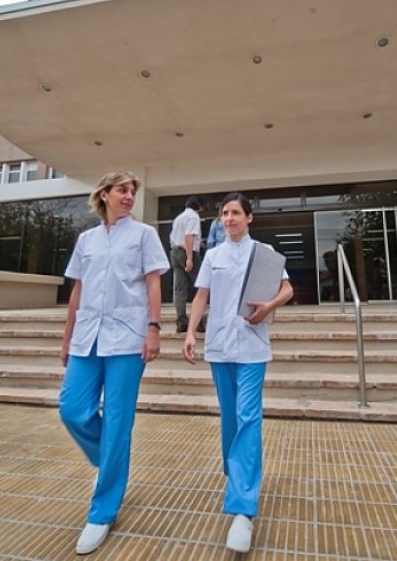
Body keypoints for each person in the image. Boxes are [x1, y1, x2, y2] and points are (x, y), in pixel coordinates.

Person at [58, 171, 170, 555]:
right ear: (103, 194)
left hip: (127, 337)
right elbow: (78, 288)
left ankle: (102, 512)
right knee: (72, 410)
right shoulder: (86, 239)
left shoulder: (144, 235)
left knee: (118, 421)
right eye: (122, 190)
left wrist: (153, 328)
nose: (129, 196)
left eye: (133, 191)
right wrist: (67, 336)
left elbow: (154, 282)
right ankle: (110, 464)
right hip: (87, 337)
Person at [183, 193, 293, 553]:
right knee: (230, 418)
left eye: (235, 213)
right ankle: (239, 476)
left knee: (248, 416)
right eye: (224, 214)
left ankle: (243, 509)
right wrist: (189, 332)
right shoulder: (212, 256)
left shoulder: (264, 253)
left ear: (249, 218)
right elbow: (201, 296)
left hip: (252, 345)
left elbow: (287, 289)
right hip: (219, 346)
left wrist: (269, 306)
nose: (229, 218)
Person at [169, 195, 204, 332]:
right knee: (200, 286)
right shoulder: (193, 217)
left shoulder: (179, 218)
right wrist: (189, 258)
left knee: (179, 288)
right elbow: (189, 236)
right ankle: (198, 322)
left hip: (175, 251)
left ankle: (181, 321)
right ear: (199, 206)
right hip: (188, 252)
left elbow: (173, 237)